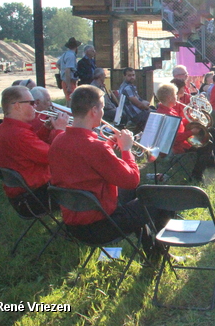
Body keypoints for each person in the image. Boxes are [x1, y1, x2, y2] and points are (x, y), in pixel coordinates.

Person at [48, 85, 171, 256]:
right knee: (162, 199)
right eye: (103, 108)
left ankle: (151, 250)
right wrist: (127, 149)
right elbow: (131, 180)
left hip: (72, 222)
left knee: (138, 198)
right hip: (101, 225)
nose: (103, 113)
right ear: (94, 111)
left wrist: (109, 146)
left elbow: (83, 161)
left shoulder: (58, 140)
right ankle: (158, 253)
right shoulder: (96, 148)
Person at [0, 86, 68, 216]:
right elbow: (55, 157)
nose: (35, 107)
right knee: (90, 180)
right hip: (35, 199)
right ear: (17, 106)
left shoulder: (1, 130)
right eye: (31, 103)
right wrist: (60, 130)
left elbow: (29, 150)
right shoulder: (19, 134)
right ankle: (86, 227)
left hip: (23, 198)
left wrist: (46, 130)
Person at [155, 84, 215, 181]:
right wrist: (192, 131)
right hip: (177, 147)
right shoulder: (167, 115)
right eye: (175, 95)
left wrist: (193, 119)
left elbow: (181, 122)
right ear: (169, 97)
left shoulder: (168, 110)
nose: (177, 97)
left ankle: (211, 169)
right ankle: (197, 175)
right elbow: (174, 138)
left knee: (208, 137)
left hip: (181, 141)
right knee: (207, 145)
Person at [119, 67, 152, 133]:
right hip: (135, 115)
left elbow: (139, 100)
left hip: (137, 113)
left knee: (153, 109)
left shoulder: (129, 86)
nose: (132, 77)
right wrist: (148, 108)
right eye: (129, 75)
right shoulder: (127, 88)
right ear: (124, 76)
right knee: (156, 115)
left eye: (133, 75)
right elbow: (139, 105)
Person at [58, 37, 82, 106]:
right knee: (72, 102)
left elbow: (57, 64)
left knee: (69, 100)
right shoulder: (71, 56)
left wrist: (62, 72)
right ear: (76, 47)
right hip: (69, 82)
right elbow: (68, 70)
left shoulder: (65, 54)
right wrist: (68, 85)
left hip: (65, 81)